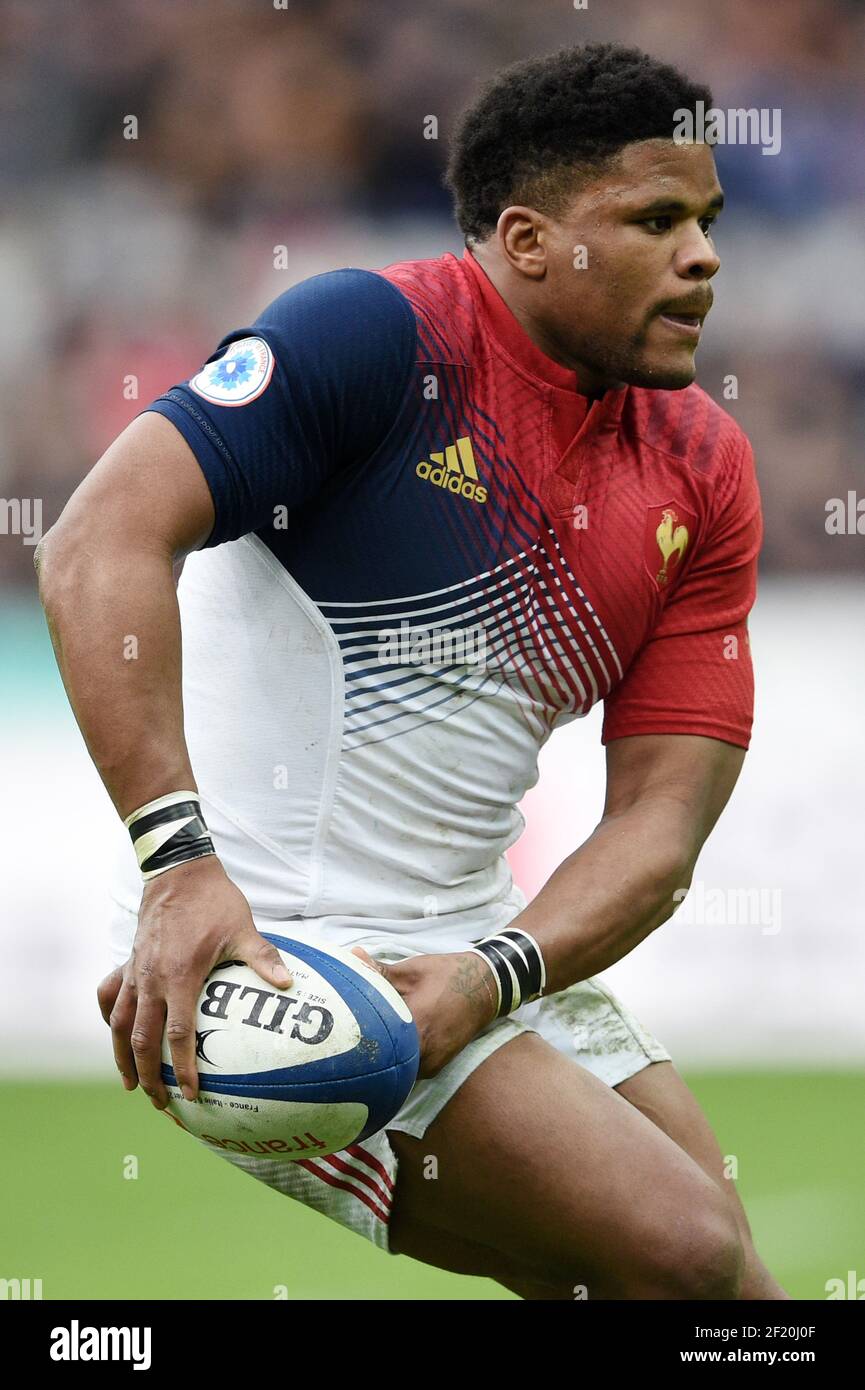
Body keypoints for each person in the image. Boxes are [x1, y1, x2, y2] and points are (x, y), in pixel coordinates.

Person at [36, 42, 787, 1299]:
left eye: (706, 220)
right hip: (278, 972)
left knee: (730, 1294)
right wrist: (177, 862)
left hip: (471, 958)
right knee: (686, 1259)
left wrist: (494, 973)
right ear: (528, 238)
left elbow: (662, 821)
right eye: (654, 220)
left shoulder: (701, 467)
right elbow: (94, 543)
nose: (701, 255)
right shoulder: (374, 338)